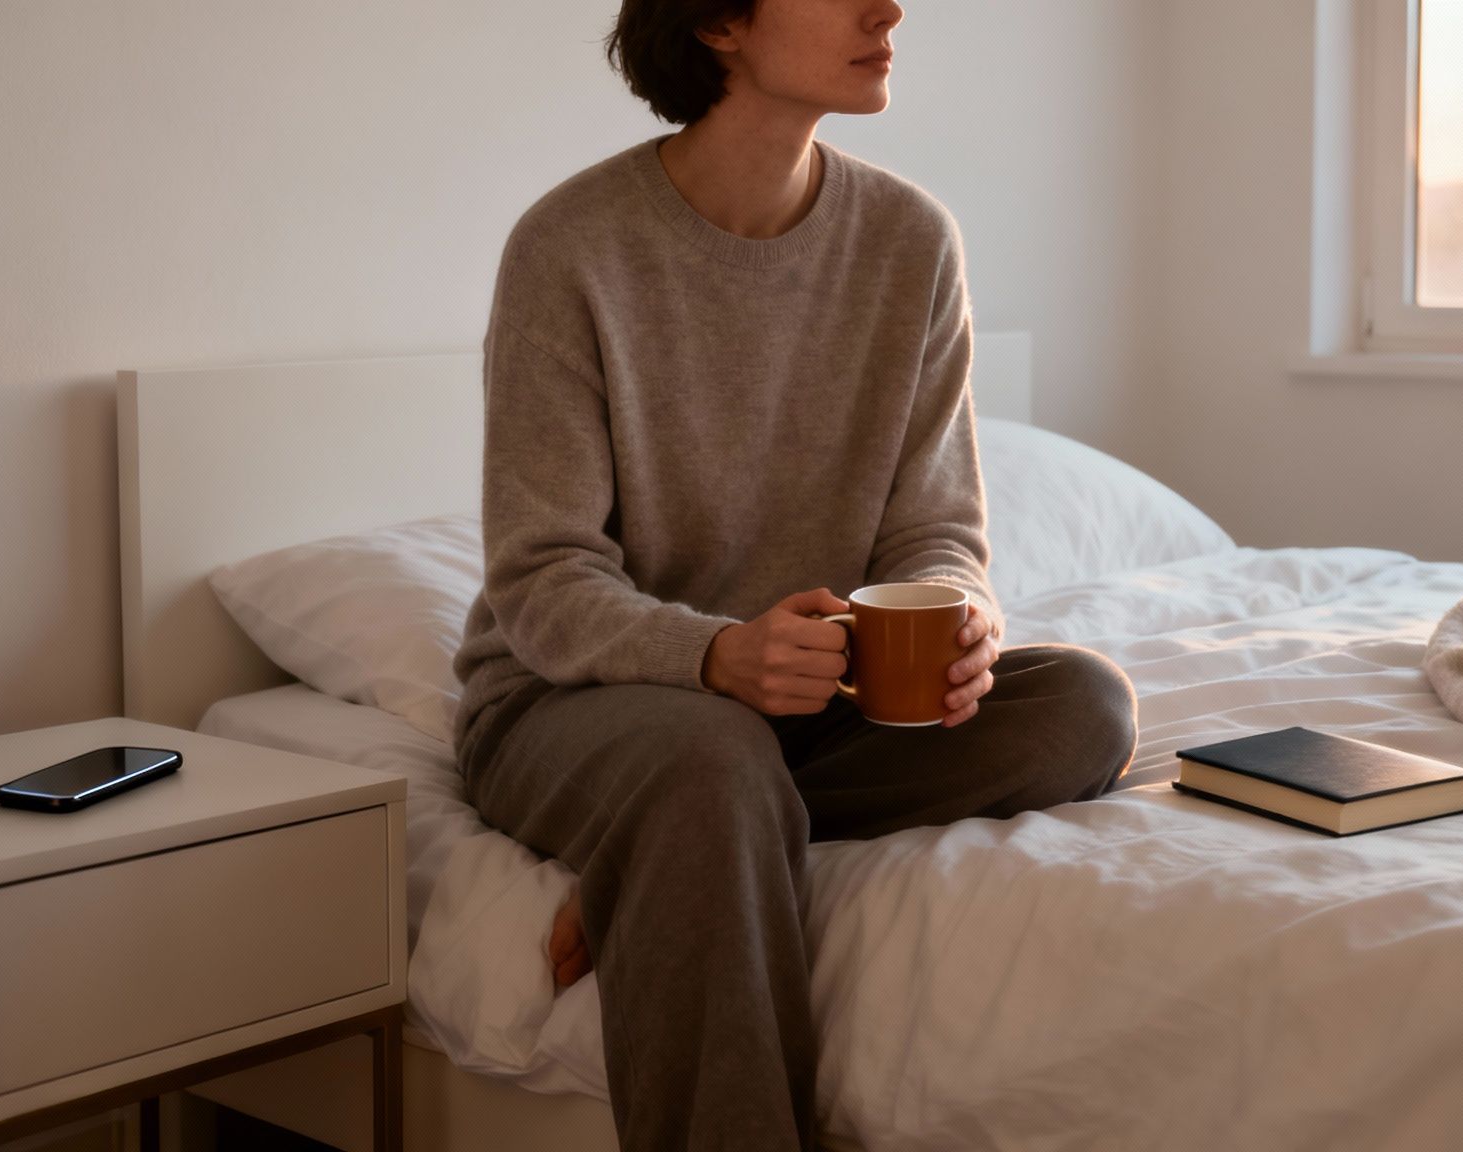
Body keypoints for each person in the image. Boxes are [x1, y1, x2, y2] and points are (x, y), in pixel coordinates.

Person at [449, 1, 1138, 1147]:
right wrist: (714, 655)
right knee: (707, 758)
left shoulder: (910, 240)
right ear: (718, 20)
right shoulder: (571, 247)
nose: (890, 8)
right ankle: (689, 832)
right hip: (572, 701)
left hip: (811, 706)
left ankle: (675, 859)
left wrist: (960, 617)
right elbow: (541, 580)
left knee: (1081, 704)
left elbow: (935, 528)